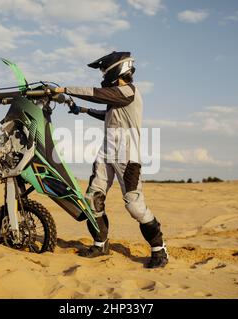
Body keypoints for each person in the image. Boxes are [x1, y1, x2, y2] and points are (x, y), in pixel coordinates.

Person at [53, 51, 168, 268]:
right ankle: (100, 244)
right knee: (92, 199)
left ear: (117, 70)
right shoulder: (117, 96)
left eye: (104, 70)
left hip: (128, 157)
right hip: (106, 153)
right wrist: (83, 110)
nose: (102, 75)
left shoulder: (128, 91)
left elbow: (97, 94)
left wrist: (64, 89)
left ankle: (159, 249)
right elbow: (107, 113)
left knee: (134, 206)